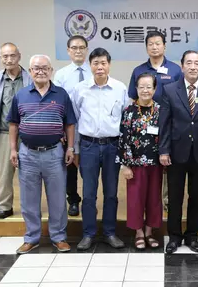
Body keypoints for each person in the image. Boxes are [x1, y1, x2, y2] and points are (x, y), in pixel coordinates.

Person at [7, 55, 76, 254]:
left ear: (51, 70)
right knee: (29, 199)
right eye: (36, 68)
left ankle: (59, 237)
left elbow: (69, 124)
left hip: (54, 154)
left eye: (45, 68)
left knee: (57, 199)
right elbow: (13, 124)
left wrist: (70, 148)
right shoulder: (21, 95)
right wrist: (13, 149)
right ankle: (32, 237)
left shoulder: (61, 94)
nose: (41, 71)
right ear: (30, 71)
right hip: (27, 154)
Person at [160, 50, 198, 254]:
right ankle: (174, 236)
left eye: (197, 63)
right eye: (189, 63)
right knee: (175, 197)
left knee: (197, 196)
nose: (193, 66)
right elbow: (164, 124)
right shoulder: (169, 90)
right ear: (182, 66)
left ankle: (192, 235)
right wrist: (164, 150)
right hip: (176, 152)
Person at [71, 48, 129, 251]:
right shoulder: (80, 89)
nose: (100, 67)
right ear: (90, 65)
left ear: (109, 65)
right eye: (95, 63)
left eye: (103, 63)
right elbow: (75, 121)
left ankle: (110, 232)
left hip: (113, 146)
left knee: (111, 193)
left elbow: (125, 122)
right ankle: (88, 234)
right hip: (88, 146)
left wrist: (124, 152)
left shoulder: (120, 88)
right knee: (88, 193)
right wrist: (76, 149)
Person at [128, 31, 182, 210]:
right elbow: (132, 99)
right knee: (146, 164)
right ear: (146, 47)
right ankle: (146, 200)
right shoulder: (139, 70)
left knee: (167, 163)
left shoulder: (175, 70)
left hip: (170, 123)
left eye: (158, 43)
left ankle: (166, 200)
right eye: (150, 44)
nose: (154, 47)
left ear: (164, 46)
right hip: (144, 126)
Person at [118, 73, 163, 250]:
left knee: (153, 198)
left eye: (149, 87)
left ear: (155, 89)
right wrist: (125, 164)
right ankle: (138, 232)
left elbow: (166, 136)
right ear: (136, 89)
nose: (145, 90)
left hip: (156, 163)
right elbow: (123, 139)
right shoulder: (129, 111)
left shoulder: (161, 110)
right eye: (141, 87)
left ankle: (149, 232)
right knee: (136, 199)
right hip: (135, 164)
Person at [0, 42, 32, 219]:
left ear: (19, 56)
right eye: (5, 56)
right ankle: (5, 206)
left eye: (12, 55)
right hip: (4, 133)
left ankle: (29, 206)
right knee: (5, 173)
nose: (9, 59)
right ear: (1, 58)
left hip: (28, 133)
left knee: (28, 173)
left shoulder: (30, 77)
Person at [54, 35, 92, 217]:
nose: (78, 51)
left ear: (86, 50)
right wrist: (60, 128)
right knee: (70, 167)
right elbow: (57, 103)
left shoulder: (94, 71)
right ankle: (73, 200)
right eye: (74, 47)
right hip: (68, 127)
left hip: (89, 129)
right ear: (68, 51)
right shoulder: (61, 75)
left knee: (88, 168)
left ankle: (89, 200)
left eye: (82, 47)